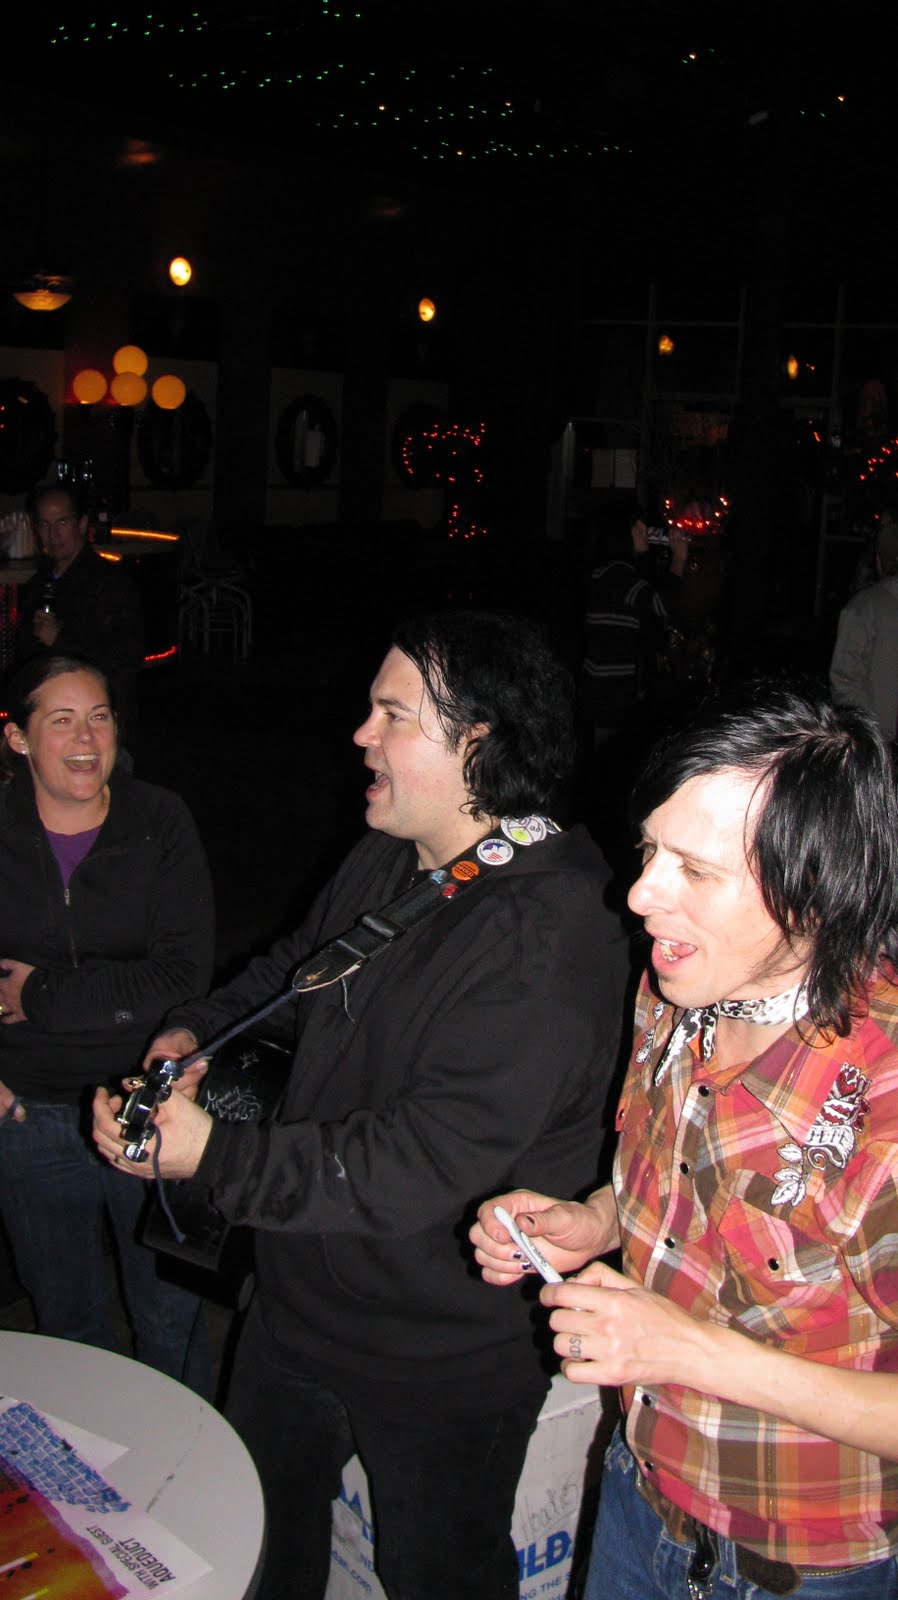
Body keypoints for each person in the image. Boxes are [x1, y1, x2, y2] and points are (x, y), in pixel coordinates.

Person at [93, 609, 628, 1600]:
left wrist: (212, 1155)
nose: (360, 734)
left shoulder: (548, 939)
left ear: (476, 744)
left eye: (392, 715)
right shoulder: (397, 857)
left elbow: (418, 1161)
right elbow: (296, 967)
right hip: (297, 1306)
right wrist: (193, 1035)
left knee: (436, 1574)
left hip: (440, 1353)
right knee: (259, 1545)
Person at [472, 682, 898, 1600]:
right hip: (642, 1497)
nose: (639, 895)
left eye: (695, 872)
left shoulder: (886, 1101)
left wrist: (687, 1352)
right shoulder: (679, 990)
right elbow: (679, 1183)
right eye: (649, 851)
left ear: (814, 892)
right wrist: (595, 1221)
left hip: (809, 1568)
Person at [0, 653, 214, 1390]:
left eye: (98, 716)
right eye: (61, 720)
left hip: (145, 1106)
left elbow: (181, 976)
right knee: (66, 1319)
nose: (86, 738)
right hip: (25, 1111)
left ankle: (185, 1451)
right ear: (18, 737)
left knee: (170, 1314)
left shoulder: (158, 820)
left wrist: (41, 995)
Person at [16, 484, 144, 742]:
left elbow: (125, 654)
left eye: (62, 522)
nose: (53, 534)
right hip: (49, 715)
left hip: (95, 720)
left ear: (82, 524)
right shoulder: (39, 584)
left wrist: (61, 638)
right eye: (44, 525)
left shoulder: (108, 581)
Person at [830, 508, 898, 741]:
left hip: (880, 740)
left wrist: (870, 733)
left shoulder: (864, 607)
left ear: (879, 561)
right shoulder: (868, 606)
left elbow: (844, 679)